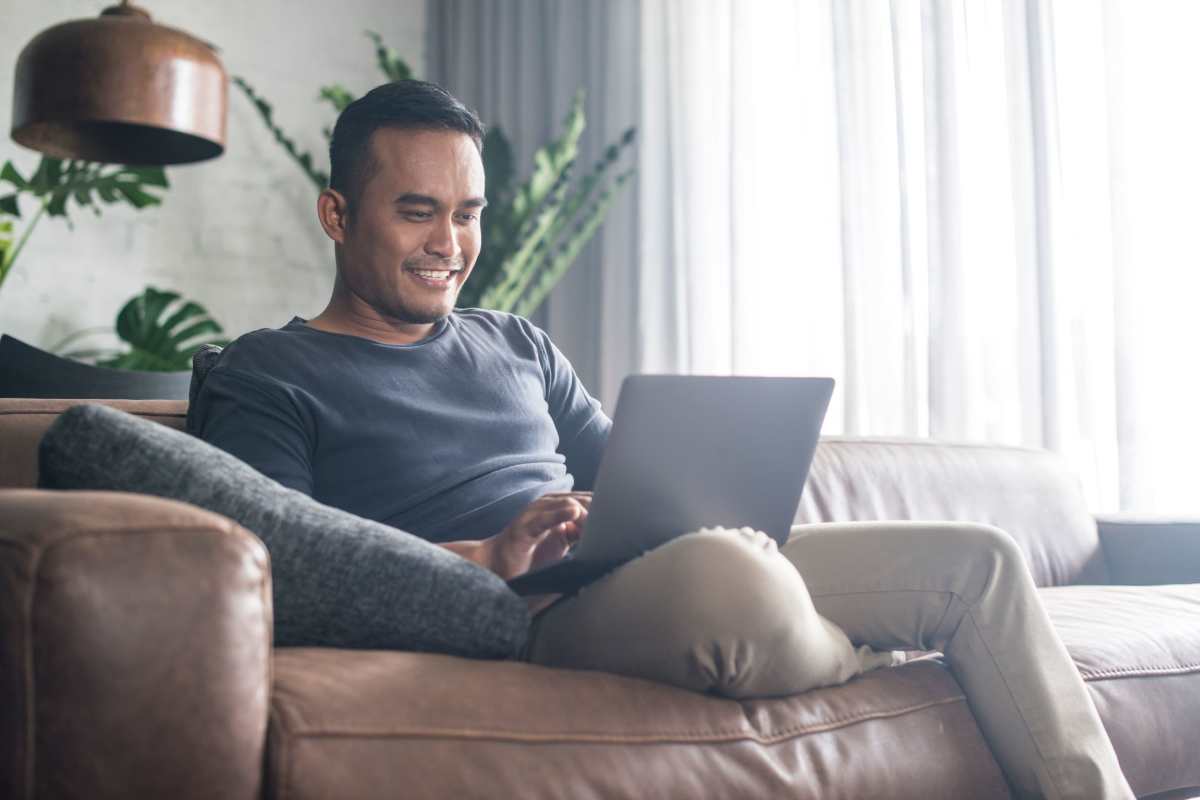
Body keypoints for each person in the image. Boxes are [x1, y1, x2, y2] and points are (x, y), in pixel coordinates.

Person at [192, 80, 1133, 800]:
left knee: (979, 561)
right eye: (416, 210)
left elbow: (635, 478)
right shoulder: (267, 373)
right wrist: (486, 555)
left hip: (644, 571)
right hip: (520, 612)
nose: (450, 242)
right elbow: (282, 569)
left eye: (469, 212)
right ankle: (868, 649)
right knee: (735, 581)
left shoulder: (516, 341)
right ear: (337, 213)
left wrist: (697, 500)